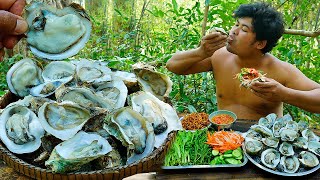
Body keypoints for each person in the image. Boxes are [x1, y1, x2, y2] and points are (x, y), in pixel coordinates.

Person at [166, 2, 320, 120]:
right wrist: (200, 52)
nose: (233, 31)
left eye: (244, 30)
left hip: (261, 145)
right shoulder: (219, 57)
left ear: (260, 43)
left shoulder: (280, 70)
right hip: (223, 135)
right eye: (236, 24)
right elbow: (172, 66)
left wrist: (283, 94)